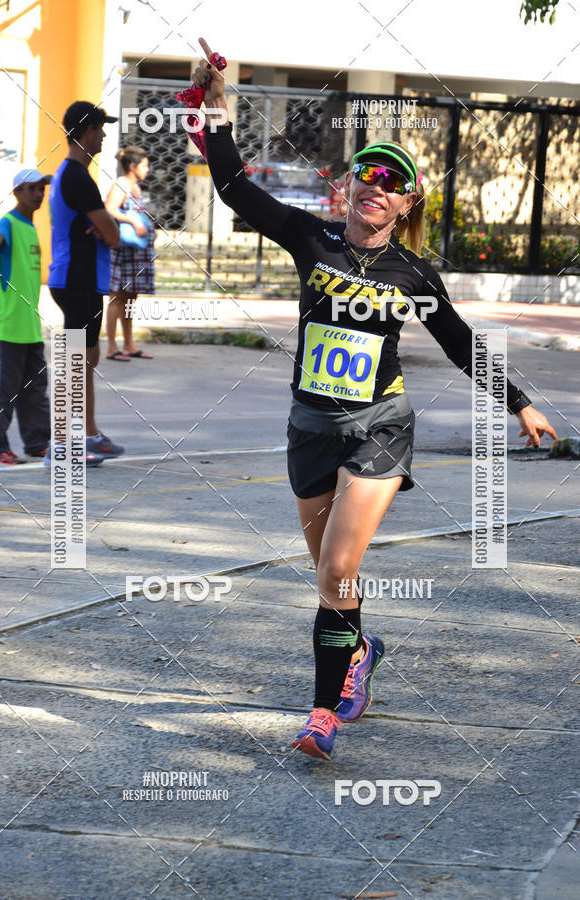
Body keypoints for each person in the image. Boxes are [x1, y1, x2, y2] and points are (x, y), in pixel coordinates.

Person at [192, 38, 559, 760]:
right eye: (367, 173)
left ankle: (321, 716)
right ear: (349, 185)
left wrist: (518, 401)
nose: (376, 186)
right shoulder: (311, 238)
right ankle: (359, 653)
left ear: (406, 200)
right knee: (333, 578)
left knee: (336, 569)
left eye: (392, 181)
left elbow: (458, 343)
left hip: (379, 428)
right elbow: (233, 186)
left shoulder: (413, 273)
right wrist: (215, 103)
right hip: (310, 427)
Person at [47, 101, 123, 466]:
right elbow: (113, 235)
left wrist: (105, 225)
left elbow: (106, 229)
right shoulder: (77, 177)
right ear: (88, 131)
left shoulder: (72, 173)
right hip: (76, 278)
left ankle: (89, 434)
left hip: (82, 278)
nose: (105, 135)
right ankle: (60, 445)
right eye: (101, 128)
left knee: (87, 357)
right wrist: (107, 226)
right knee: (75, 362)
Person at [0, 169, 51, 465]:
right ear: (17, 192)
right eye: (31, 189)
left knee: (36, 390)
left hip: (30, 326)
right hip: (7, 325)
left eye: (41, 189)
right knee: (3, 391)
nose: (38, 194)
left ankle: (37, 443)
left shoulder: (31, 227)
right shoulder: (8, 222)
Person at [105, 145, 155, 361]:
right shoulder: (121, 185)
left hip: (135, 253)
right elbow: (109, 209)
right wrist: (133, 221)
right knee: (117, 298)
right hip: (123, 252)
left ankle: (129, 344)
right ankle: (111, 347)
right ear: (133, 166)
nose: (147, 169)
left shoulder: (135, 187)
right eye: (144, 165)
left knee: (129, 299)